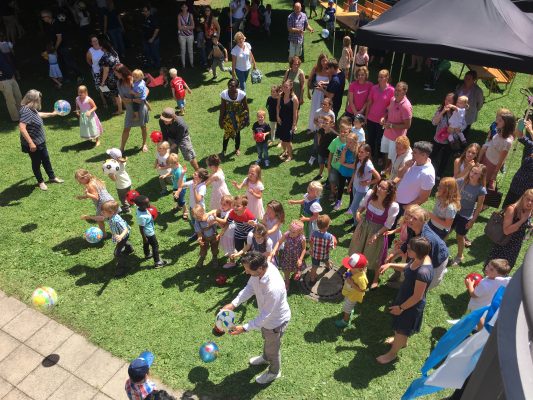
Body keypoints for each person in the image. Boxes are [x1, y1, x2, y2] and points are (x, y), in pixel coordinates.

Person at [221, 251, 291, 384]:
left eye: (248, 270)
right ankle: (265, 358)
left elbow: (266, 315)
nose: (246, 272)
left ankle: (274, 372)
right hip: (267, 320)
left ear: (260, 268)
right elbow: (250, 288)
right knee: (267, 340)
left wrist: (244, 328)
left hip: (275, 321)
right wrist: (233, 304)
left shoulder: (273, 287)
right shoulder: (260, 271)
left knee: (273, 349)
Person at [376, 236, 434, 364]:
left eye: (410, 248)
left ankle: (392, 354)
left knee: (402, 329)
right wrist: (391, 264)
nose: (407, 249)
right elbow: (408, 267)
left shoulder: (423, 272)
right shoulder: (419, 258)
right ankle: (401, 341)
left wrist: (401, 308)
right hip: (405, 297)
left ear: (418, 252)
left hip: (411, 305)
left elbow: (417, 296)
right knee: (401, 328)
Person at [349, 180, 399, 289]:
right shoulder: (370, 194)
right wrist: (358, 212)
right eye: (379, 186)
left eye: (383, 188)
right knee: (358, 247)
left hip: (379, 230)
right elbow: (362, 206)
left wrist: (376, 234)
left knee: (376, 255)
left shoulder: (393, 206)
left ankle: (375, 279)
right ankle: (354, 269)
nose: (379, 189)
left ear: (389, 192)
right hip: (364, 226)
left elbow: (388, 225)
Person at [19, 89, 64, 191]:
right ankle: (40, 182)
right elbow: (22, 128)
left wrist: (52, 114)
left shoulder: (31, 108)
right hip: (33, 143)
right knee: (36, 162)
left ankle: (52, 177)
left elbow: (38, 114)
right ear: (33, 100)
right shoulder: (26, 111)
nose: (40, 100)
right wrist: (31, 143)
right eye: (38, 99)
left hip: (40, 141)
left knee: (46, 159)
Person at [396, 205, 449, 290]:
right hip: (424, 252)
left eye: (415, 218)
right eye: (410, 216)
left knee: (426, 283)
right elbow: (408, 241)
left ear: (423, 222)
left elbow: (424, 262)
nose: (410, 220)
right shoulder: (411, 227)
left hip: (436, 257)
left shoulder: (426, 239)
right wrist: (396, 252)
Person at [81, 200, 132, 277]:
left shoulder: (116, 220)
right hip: (119, 235)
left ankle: (122, 267)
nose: (101, 212)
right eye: (102, 210)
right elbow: (100, 218)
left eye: (103, 211)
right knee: (123, 243)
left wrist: (120, 236)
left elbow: (125, 229)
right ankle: (129, 249)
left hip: (122, 236)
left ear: (111, 212)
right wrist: (89, 217)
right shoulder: (109, 216)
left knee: (117, 253)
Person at [487, 189, 533, 269]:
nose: (530, 203)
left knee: (506, 269)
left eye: (532, 201)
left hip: (516, 245)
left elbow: (524, 225)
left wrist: (529, 225)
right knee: (494, 269)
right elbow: (506, 231)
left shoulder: (529, 210)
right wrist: (522, 220)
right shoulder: (512, 209)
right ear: (523, 197)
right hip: (504, 244)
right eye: (528, 199)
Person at [451, 163, 486, 266]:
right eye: (472, 171)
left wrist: (472, 220)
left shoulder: (481, 189)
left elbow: (479, 207)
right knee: (446, 230)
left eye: (476, 173)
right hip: (454, 211)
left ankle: (459, 256)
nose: (472, 174)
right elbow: (452, 182)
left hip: (466, 215)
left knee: (459, 236)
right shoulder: (462, 181)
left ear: (481, 176)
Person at [114, 64, 149, 153]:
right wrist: (133, 100)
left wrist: (142, 98)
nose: (115, 75)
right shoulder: (119, 83)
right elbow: (123, 99)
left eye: (116, 73)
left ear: (121, 73)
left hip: (140, 107)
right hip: (129, 108)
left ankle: (144, 144)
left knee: (143, 126)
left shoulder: (134, 78)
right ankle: (122, 148)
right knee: (126, 128)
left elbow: (147, 90)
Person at [40, 9, 83, 83]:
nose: (43, 19)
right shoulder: (50, 25)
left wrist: (54, 49)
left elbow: (59, 38)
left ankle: (79, 75)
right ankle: (66, 78)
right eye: (42, 17)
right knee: (62, 63)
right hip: (59, 47)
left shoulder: (56, 24)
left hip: (64, 46)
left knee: (69, 62)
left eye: (43, 17)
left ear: (49, 16)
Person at [380, 82, 413, 171]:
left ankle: (388, 172)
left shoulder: (406, 106)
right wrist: (384, 117)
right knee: (386, 152)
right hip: (387, 133)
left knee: (393, 157)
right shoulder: (393, 99)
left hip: (396, 138)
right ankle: (385, 169)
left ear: (404, 92)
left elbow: (408, 125)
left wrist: (391, 125)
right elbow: (388, 111)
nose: (396, 92)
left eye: (399, 90)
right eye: (395, 90)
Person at [479, 110, 515, 190]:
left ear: (506, 124)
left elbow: (502, 160)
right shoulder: (499, 132)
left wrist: (494, 173)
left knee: (481, 183)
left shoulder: (507, 142)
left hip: (491, 165)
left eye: (500, 120)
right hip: (485, 158)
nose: (496, 121)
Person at [75, 168, 117, 237]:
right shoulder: (94, 180)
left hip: (103, 204)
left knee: (100, 219)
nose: (80, 182)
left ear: (85, 178)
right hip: (110, 200)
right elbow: (97, 193)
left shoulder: (90, 185)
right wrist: (83, 197)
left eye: (80, 180)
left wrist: (87, 194)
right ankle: (119, 229)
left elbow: (96, 197)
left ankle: (104, 234)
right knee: (113, 216)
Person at [395, 141, 436, 211]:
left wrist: (407, 207)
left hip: (405, 206)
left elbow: (424, 198)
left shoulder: (428, 174)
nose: (411, 153)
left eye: (414, 152)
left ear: (424, 155)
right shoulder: (413, 162)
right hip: (395, 199)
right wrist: (406, 167)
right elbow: (399, 175)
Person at [365, 69, 394, 163]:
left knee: (380, 140)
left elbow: (391, 107)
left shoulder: (392, 90)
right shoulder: (374, 88)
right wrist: (366, 116)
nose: (380, 79)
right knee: (370, 139)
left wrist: (385, 117)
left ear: (387, 78)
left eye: (382, 77)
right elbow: (369, 102)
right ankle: (371, 155)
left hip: (382, 121)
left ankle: (380, 157)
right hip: (371, 118)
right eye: (379, 77)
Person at [502, 119, 533, 208]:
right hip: (516, 185)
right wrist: (520, 125)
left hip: (528, 193)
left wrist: (531, 131)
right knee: (506, 208)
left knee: (520, 212)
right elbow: (519, 135)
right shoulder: (531, 146)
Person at [348, 143, 381, 221]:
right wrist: (350, 184)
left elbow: (378, 178)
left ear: (367, 153)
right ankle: (354, 220)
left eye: (362, 152)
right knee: (355, 206)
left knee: (353, 208)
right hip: (355, 186)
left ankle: (356, 224)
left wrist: (367, 183)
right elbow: (355, 173)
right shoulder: (359, 160)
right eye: (359, 151)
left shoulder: (368, 165)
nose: (359, 154)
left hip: (361, 190)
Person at [134, 195, 168, 269]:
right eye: (146, 203)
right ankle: (157, 262)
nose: (149, 204)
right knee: (155, 246)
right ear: (141, 205)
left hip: (147, 232)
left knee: (146, 243)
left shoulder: (140, 209)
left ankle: (147, 254)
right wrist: (144, 237)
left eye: (148, 202)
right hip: (149, 233)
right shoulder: (142, 217)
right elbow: (141, 228)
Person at [271, 219, 306, 290]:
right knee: (286, 270)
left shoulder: (302, 238)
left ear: (299, 232)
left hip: (296, 258)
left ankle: (296, 274)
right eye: (290, 230)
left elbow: (304, 249)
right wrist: (274, 250)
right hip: (287, 257)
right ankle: (287, 282)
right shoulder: (287, 234)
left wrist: (300, 259)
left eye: (293, 232)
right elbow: (279, 242)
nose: (291, 233)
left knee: (296, 269)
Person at [336, 253, 368, 328]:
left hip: (353, 296)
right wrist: (346, 275)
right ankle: (350, 310)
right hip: (349, 292)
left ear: (359, 269)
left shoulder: (361, 278)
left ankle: (345, 321)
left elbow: (362, 290)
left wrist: (352, 283)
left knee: (347, 308)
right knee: (347, 304)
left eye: (350, 267)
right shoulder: (352, 270)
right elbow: (349, 273)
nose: (349, 268)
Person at [219, 78, 249, 157]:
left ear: (237, 87)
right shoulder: (224, 94)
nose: (230, 87)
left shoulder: (242, 94)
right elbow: (222, 108)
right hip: (227, 118)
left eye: (232, 86)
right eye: (229, 85)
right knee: (227, 134)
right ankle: (224, 150)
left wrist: (247, 119)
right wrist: (220, 120)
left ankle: (237, 149)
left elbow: (246, 107)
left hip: (238, 118)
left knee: (237, 133)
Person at [430, 92, 455, 180]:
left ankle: (439, 174)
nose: (447, 102)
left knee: (445, 158)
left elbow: (462, 125)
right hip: (438, 139)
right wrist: (442, 112)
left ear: (454, 103)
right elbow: (434, 123)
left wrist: (453, 129)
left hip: (449, 140)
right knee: (432, 155)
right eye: (446, 100)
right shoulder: (440, 109)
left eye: (450, 101)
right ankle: (428, 171)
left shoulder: (456, 113)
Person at [455, 70, 484, 139]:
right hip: (457, 112)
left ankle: (462, 143)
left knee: (464, 132)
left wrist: (473, 110)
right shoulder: (460, 86)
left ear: (474, 80)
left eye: (468, 79)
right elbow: (455, 96)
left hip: (468, 114)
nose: (466, 80)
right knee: (454, 127)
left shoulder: (478, 91)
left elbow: (480, 104)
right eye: (465, 77)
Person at [276, 79, 299, 162]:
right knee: (282, 139)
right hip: (281, 120)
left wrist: (294, 124)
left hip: (289, 122)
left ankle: (290, 155)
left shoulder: (294, 99)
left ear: (291, 87)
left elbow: (295, 113)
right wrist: (277, 117)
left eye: (286, 87)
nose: (284, 89)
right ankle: (285, 151)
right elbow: (278, 107)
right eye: (283, 87)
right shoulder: (280, 95)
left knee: (288, 141)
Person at [309, 214, 336, 284]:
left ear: (318, 225)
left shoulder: (314, 233)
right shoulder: (329, 236)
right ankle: (328, 267)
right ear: (327, 226)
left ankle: (312, 279)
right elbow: (331, 247)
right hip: (324, 255)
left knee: (314, 267)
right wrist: (332, 245)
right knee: (326, 261)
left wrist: (311, 249)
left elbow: (311, 242)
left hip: (315, 255)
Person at [98, 39, 122, 115]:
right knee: (119, 92)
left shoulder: (105, 57)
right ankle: (120, 105)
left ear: (103, 48)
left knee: (115, 93)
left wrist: (103, 82)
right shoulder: (114, 53)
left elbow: (106, 70)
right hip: (118, 75)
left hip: (110, 78)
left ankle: (119, 109)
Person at [183, 169, 209, 239]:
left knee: (201, 224)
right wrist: (182, 174)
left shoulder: (202, 187)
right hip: (192, 208)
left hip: (199, 210)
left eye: (195, 174)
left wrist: (194, 189)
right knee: (194, 222)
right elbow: (180, 185)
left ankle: (204, 236)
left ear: (200, 178)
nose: (193, 174)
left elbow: (198, 200)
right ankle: (197, 233)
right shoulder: (193, 182)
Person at [105, 148, 132, 214]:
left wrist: (110, 175)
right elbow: (124, 161)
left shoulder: (112, 167)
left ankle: (127, 208)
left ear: (112, 157)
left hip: (121, 186)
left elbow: (114, 179)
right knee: (128, 194)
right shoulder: (122, 162)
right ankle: (131, 202)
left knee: (122, 198)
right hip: (128, 182)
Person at [307, 54, 329, 132]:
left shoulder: (329, 70)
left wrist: (324, 83)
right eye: (323, 60)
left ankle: (320, 128)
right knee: (314, 109)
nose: (324, 62)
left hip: (324, 93)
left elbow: (331, 81)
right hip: (316, 93)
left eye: (326, 60)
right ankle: (311, 127)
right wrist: (308, 92)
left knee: (322, 109)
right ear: (320, 61)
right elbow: (309, 79)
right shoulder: (316, 68)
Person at [314, 114, 337, 181]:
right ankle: (320, 174)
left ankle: (329, 178)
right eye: (323, 122)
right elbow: (319, 138)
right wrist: (319, 145)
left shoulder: (333, 134)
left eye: (326, 123)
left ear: (331, 124)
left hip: (328, 154)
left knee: (329, 167)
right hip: (321, 152)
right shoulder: (321, 130)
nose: (324, 124)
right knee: (321, 163)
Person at [0, 51, 22, 122]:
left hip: (12, 78)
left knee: (19, 97)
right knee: (10, 100)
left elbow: (9, 63)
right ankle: (16, 118)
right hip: (3, 81)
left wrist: (13, 74)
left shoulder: (2, 53)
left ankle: (21, 115)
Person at [86, 35, 105, 105]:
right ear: (91, 43)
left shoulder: (103, 48)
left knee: (110, 85)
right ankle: (104, 102)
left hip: (106, 70)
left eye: (96, 40)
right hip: (97, 72)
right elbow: (88, 60)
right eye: (93, 41)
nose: (95, 42)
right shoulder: (90, 51)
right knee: (102, 87)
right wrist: (93, 66)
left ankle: (113, 100)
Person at [177, 3, 194, 69]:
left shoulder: (190, 15)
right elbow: (179, 27)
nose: (184, 8)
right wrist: (188, 27)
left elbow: (193, 26)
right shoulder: (179, 15)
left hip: (190, 35)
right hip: (182, 36)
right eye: (183, 7)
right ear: (181, 8)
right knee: (183, 50)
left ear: (187, 8)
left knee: (190, 50)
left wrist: (184, 27)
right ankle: (183, 65)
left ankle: (192, 64)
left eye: (185, 7)